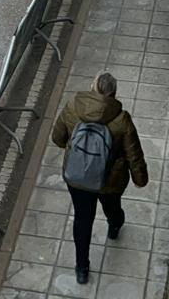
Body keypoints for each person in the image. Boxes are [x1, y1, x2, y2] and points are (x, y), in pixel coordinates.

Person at [52, 71, 148, 285]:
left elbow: (57, 138)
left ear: (93, 87)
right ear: (113, 94)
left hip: (77, 178)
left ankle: (82, 268)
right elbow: (134, 154)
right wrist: (140, 179)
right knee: (112, 208)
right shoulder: (122, 120)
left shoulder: (72, 107)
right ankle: (114, 226)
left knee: (83, 219)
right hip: (109, 181)